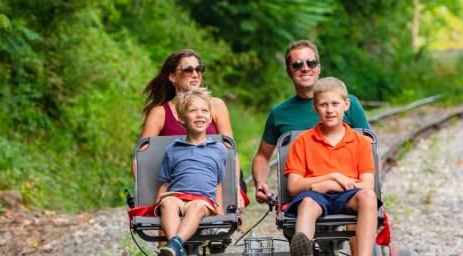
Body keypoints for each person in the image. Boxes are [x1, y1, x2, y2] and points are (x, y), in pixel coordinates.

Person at [251, 40, 370, 204]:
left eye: (311, 62)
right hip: (305, 193)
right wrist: (260, 184)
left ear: (319, 68)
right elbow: (263, 156)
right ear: (289, 71)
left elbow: (369, 147)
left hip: (348, 190)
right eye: (297, 64)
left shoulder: (348, 103)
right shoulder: (279, 113)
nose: (305, 68)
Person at [133, 49, 247, 209]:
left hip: (213, 183)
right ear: (172, 77)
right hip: (177, 186)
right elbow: (141, 158)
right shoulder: (160, 113)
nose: (195, 74)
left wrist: (235, 187)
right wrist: (146, 192)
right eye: (188, 70)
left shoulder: (216, 106)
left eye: (199, 69)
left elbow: (230, 151)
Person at [284, 77, 378, 256]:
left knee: (368, 196)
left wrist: (329, 184)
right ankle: (303, 245)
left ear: (346, 104)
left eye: (335, 104)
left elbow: (367, 185)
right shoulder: (302, 142)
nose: (330, 110)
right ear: (315, 107)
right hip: (315, 195)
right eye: (323, 105)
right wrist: (332, 176)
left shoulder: (361, 142)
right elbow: (294, 186)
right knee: (307, 203)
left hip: (349, 195)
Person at [155, 88, 227, 256]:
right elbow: (165, 182)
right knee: (168, 203)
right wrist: (158, 204)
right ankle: (176, 249)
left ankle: (175, 243)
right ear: (181, 118)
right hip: (178, 197)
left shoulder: (219, 149)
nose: (200, 115)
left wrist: (220, 210)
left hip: (204, 201)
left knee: (195, 206)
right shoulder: (172, 149)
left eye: (204, 110)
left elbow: (218, 182)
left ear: (210, 117)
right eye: (193, 111)